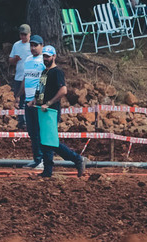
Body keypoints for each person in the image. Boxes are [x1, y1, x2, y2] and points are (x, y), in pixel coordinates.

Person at [32, 46, 87, 179]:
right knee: (45, 141)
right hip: (43, 110)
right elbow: (41, 89)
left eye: (48, 56)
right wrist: (35, 100)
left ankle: (77, 159)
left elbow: (63, 90)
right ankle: (48, 171)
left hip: (51, 111)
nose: (45, 59)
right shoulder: (44, 72)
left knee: (50, 141)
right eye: (44, 56)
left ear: (54, 56)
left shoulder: (57, 72)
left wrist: (49, 103)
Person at [19, 35, 46, 169]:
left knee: (39, 131)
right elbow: (26, 78)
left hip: (38, 102)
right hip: (28, 100)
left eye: (36, 45)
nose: (33, 48)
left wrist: (38, 98)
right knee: (32, 131)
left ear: (42, 46)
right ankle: (37, 159)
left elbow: (44, 80)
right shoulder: (28, 60)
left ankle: (43, 159)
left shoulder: (43, 61)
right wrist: (19, 95)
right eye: (31, 45)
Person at [7, 25, 32, 122]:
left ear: (29, 34)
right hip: (19, 76)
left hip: (30, 77)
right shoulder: (16, 45)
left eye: (25, 34)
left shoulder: (33, 45)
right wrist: (15, 59)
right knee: (19, 101)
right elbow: (10, 60)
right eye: (21, 34)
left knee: (29, 100)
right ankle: (22, 122)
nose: (23, 37)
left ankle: (29, 121)